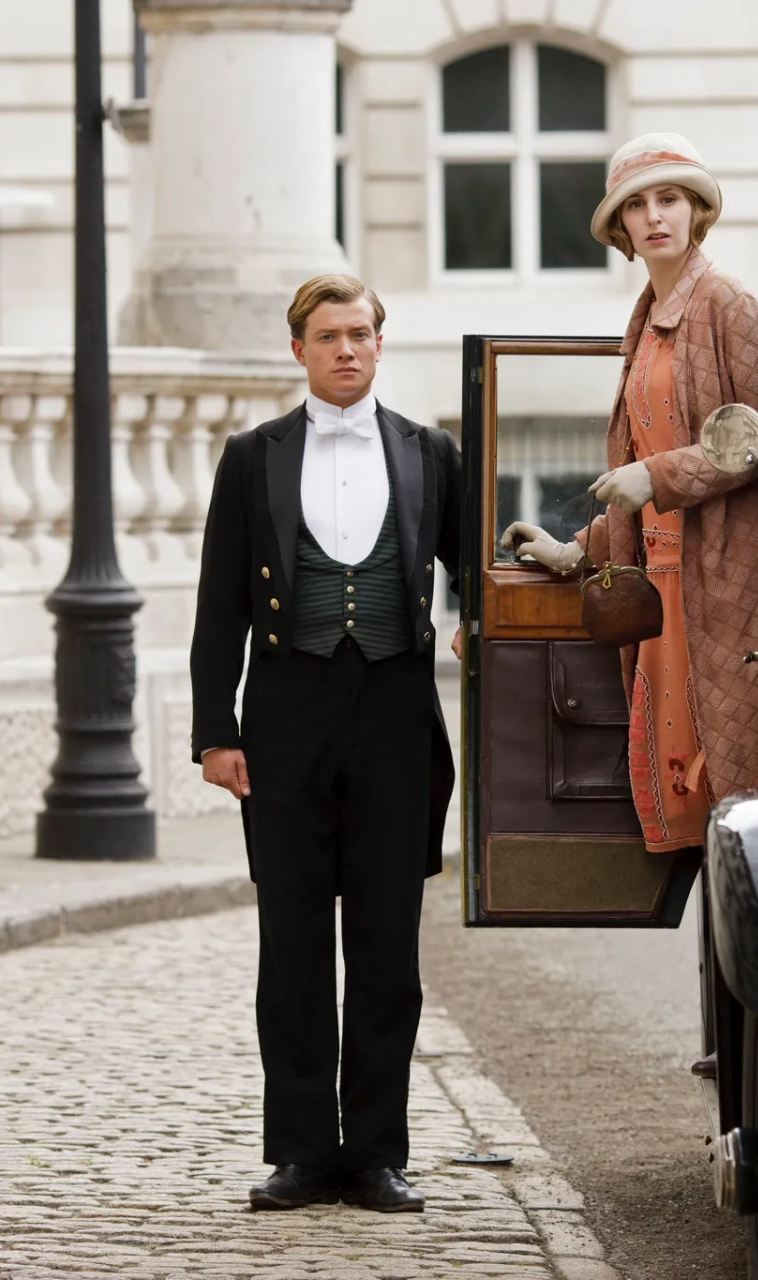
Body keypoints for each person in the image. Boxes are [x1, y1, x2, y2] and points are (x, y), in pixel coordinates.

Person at [189, 273, 462, 1214]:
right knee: (293, 942)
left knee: (388, 947)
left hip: (394, 712)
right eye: (327, 336)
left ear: (380, 346)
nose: (346, 349)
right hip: (286, 714)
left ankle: (377, 1152)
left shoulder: (432, 453)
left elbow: (472, 569)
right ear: (297, 348)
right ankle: (304, 1152)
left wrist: (484, 621)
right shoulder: (251, 457)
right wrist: (213, 734)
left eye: (360, 334)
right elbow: (217, 604)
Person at [498, 132, 758, 851]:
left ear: (697, 212)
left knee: (731, 791)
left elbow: (756, 447)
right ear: (620, 226)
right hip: (654, 580)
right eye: (638, 205)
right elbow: (639, 463)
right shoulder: (644, 318)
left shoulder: (728, 303)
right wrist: (576, 551)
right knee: (683, 795)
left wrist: (655, 477)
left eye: (671, 199)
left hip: (716, 582)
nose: (655, 216)